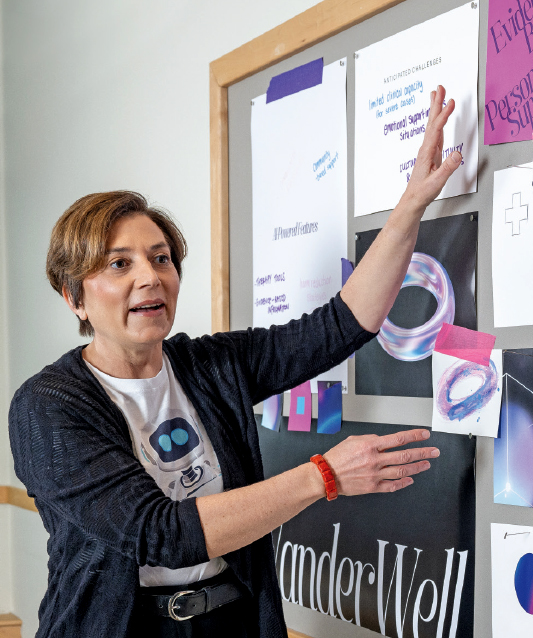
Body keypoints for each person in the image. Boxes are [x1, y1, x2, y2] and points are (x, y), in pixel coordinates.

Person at [9, 87, 463, 637]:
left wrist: (412, 205)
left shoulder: (208, 365)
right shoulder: (47, 406)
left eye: (160, 259)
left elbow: (343, 324)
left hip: (232, 620)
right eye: (118, 264)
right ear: (73, 296)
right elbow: (163, 532)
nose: (150, 277)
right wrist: (323, 474)